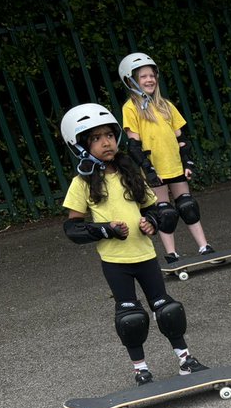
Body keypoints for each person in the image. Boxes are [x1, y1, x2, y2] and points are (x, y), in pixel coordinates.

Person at [59, 103, 206, 386]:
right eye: (96, 138)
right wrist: (105, 230)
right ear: (79, 146)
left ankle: (186, 360)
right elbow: (73, 228)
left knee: (167, 309)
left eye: (110, 135)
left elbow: (155, 208)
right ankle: (141, 370)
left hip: (145, 254)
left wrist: (150, 221)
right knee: (130, 317)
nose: (106, 142)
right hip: (116, 263)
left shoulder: (131, 171)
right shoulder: (82, 183)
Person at [118, 52, 214, 263]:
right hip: (154, 168)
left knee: (187, 205)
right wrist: (148, 169)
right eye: (143, 76)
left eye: (152, 75)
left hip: (175, 165)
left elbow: (182, 139)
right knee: (165, 212)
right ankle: (172, 254)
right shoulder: (131, 108)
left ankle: (204, 247)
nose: (149, 79)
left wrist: (187, 161)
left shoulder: (166, 106)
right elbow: (133, 144)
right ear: (130, 80)